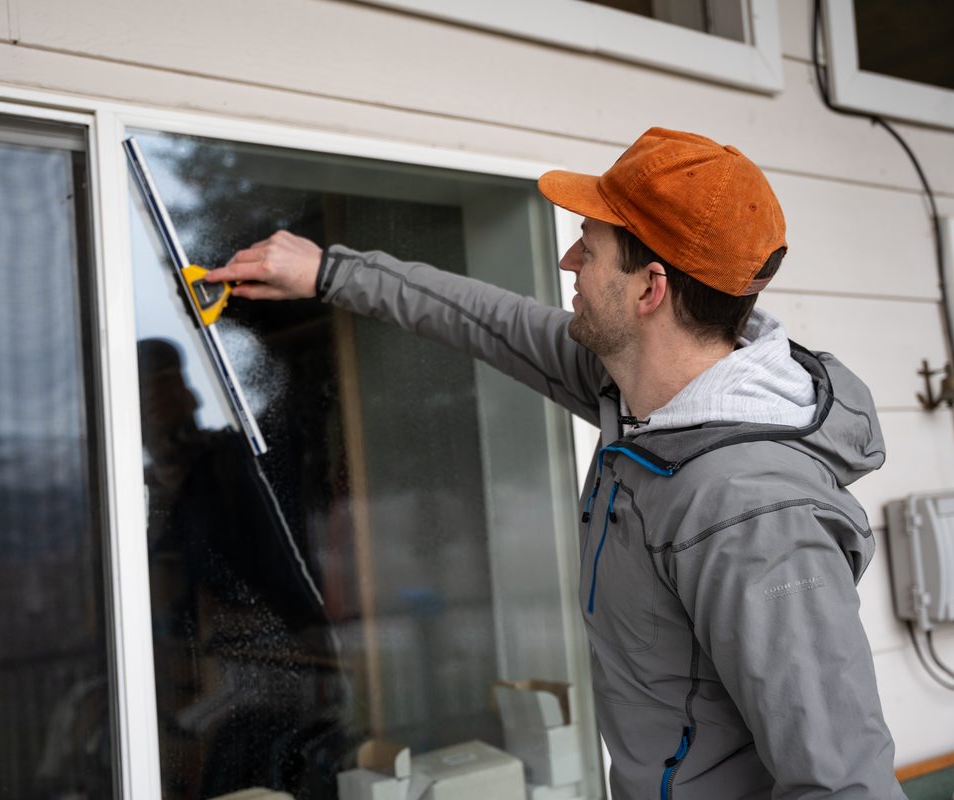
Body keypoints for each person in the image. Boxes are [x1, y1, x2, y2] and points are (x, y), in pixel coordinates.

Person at [203, 127, 905, 799]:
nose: (569, 260)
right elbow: (485, 319)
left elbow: (842, 783)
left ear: (649, 289)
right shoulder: (633, 393)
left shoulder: (753, 512)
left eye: (589, 246)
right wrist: (330, 273)